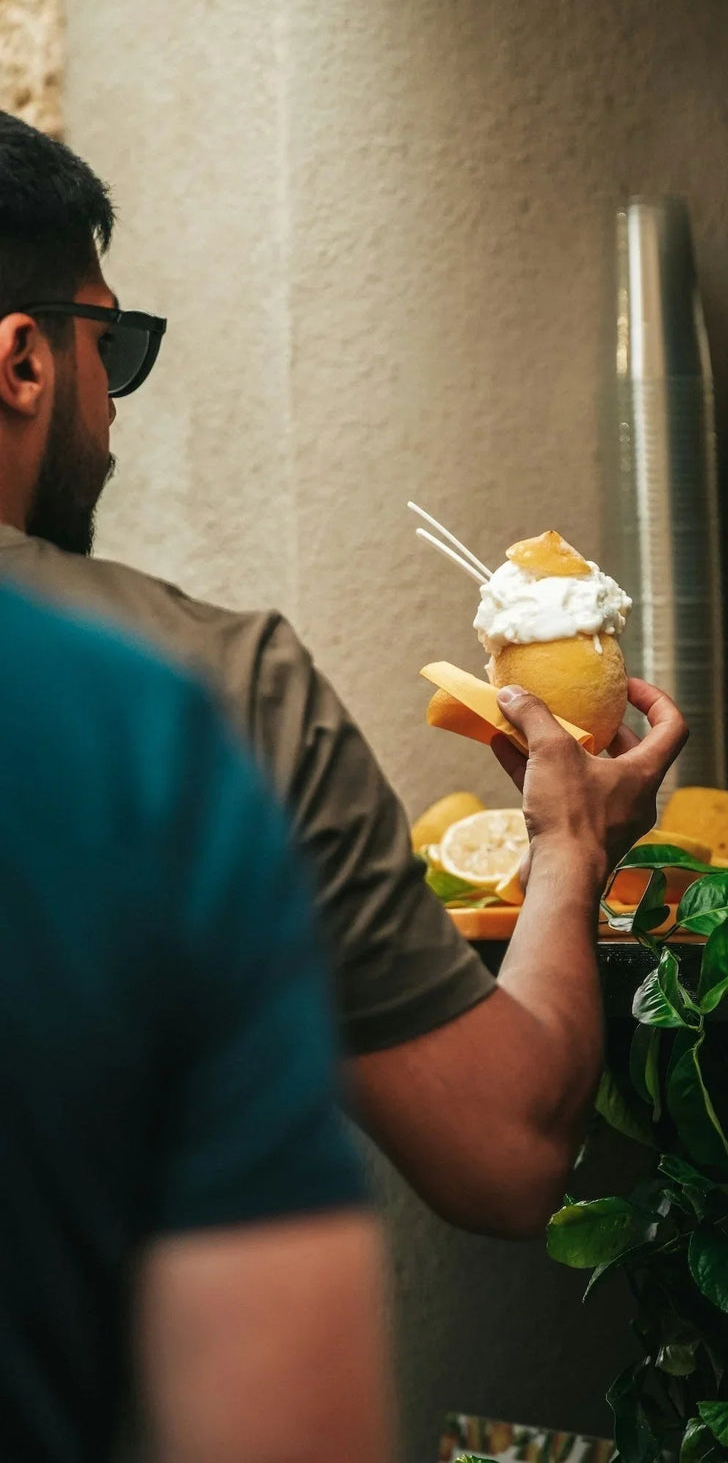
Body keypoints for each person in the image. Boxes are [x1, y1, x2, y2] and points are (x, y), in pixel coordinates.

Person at [0, 111, 688, 1239]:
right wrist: (570, 843)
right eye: (107, 347)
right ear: (24, 361)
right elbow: (503, 1151)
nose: (113, 402)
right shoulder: (210, 688)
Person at [0, 575, 391, 1463]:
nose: (108, 432)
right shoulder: (133, 733)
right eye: (108, 417)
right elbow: (504, 1154)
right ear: (19, 418)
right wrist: (567, 841)